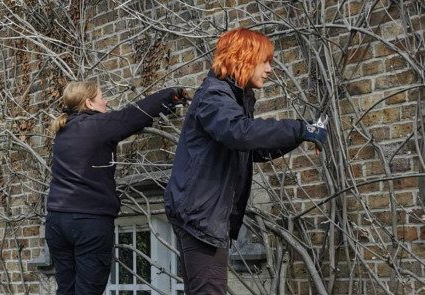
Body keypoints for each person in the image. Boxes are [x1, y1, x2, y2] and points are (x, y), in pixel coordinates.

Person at [164, 28, 328, 295]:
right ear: (243, 58)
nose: (270, 69)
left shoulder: (234, 99)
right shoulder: (214, 97)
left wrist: (300, 137)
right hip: (199, 218)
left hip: (206, 217)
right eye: (265, 61)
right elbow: (240, 133)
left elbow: (252, 150)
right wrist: (300, 129)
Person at [45, 81, 187, 295]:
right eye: (102, 97)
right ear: (89, 103)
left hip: (57, 222)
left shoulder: (63, 131)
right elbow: (133, 115)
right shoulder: (98, 126)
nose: (106, 101)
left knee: (66, 290)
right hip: (89, 222)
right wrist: (170, 96)